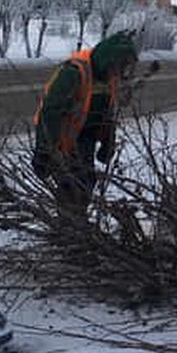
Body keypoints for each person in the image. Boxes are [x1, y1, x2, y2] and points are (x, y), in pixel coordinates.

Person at [32, 30, 139, 218]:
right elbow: (50, 112)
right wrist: (44, 150)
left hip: (85, 140)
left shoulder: (108, 78)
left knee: (86, 184)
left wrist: (108, 142)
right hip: (64, 142)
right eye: (120, 66)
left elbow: (106, 113)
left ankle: (75, 229)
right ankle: (68, 232)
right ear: (108, 60)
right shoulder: (74, 73)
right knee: (73, 190)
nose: (121, 73)